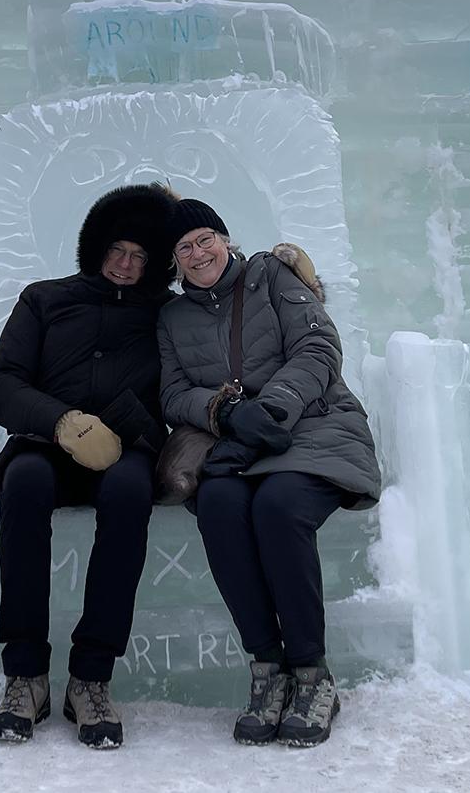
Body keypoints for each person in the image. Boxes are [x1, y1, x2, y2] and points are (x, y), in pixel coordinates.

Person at [157, 199, 380, 748]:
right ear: (175, 261)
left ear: (226, 238)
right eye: (185, 247)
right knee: (219, 506)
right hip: (236, 443)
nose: (198, 252)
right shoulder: (171, 316)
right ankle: (268, 670)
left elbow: (318, 346)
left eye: (206, 238)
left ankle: (311, 673)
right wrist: (225, 412)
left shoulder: (270, 275)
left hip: (311, 426)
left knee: (279, 507)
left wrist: (274, 406)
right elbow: (171, 393)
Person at [0, 183, 176, 748]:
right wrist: (62, 422)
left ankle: (90, 677)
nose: (125, 264)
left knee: (129, 494)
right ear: (95, 246)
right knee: (25, 482)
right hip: (46, 444)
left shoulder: (166, 314)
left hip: (125, 450)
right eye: (117, 249)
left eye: (141, 256)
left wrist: (120, 424)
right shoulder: (44, 299)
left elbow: (216, 286)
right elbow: (0, 383)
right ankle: (26, 675)